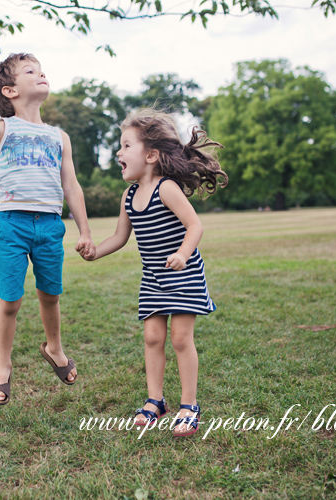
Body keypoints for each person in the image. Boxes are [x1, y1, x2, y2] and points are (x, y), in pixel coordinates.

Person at [84, 109, 227, 437]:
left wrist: (182, 253)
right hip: (154, 278)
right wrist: (95, 252)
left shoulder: (167, 189)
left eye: (125, 146)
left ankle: (189, 406)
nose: (118, 153)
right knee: (152, 337)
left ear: (150, 155)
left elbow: (195, 225)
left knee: (180, 339)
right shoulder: (129, 196)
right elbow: (120, 238)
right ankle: (156, 401)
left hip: (184, 273)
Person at [0, 53, 94, 405]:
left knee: (50, 295)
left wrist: (84, 230)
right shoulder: (0, 129)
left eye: (41, 70)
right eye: (30, 71)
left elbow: (72, 185)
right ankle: (3, 366)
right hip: (11, 223)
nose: (41, 74)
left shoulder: (60, 137)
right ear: (9, 90)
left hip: (51, 225)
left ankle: (54, 348)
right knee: (10, 300)